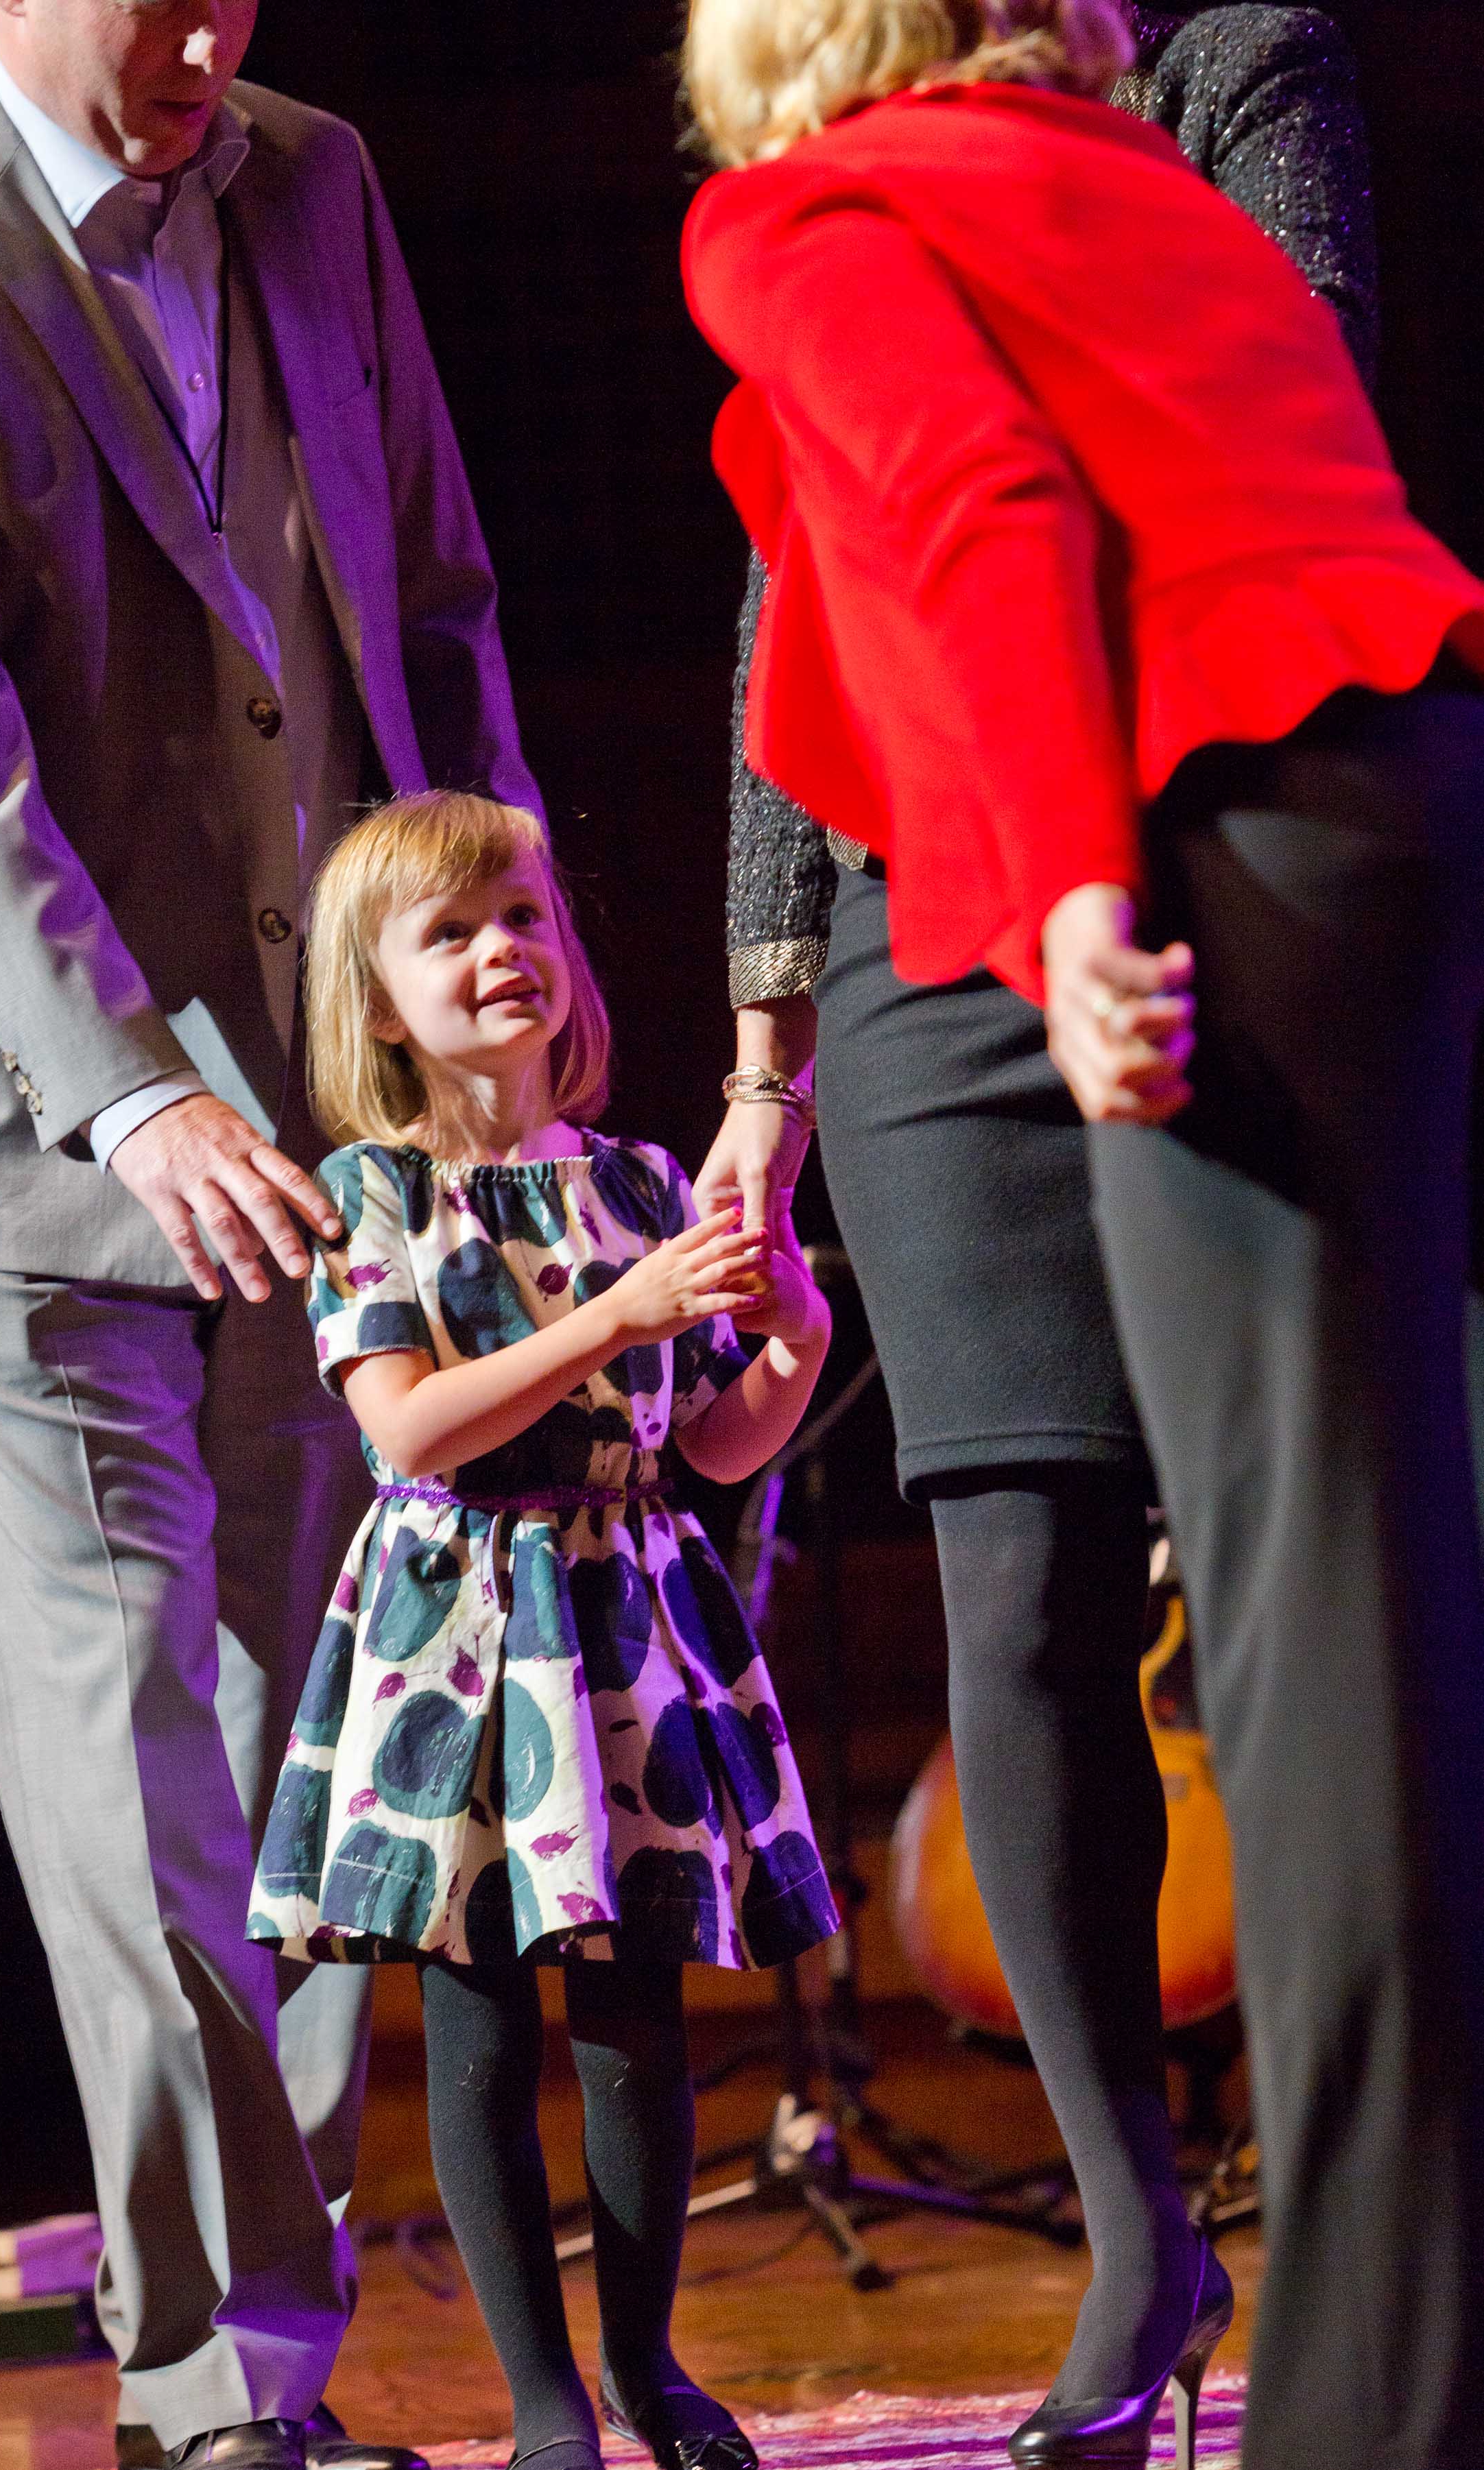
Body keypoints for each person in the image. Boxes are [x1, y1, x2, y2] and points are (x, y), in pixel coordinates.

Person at [679, 3, 1484, 2468]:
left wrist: (1069, 893)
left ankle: (1383, 2404)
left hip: (1178, 820)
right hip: (1385, 778)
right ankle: (1357, 2346)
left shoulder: (804, 208)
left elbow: (982, 507)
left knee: (1309, 1659)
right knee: (1367, 1612)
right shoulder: (1106, 162)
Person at [0, 4, 538, 2465]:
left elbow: (431, 600)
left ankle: (263, 2345)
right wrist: (129, 1083)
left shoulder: (309, 175)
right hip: (37, 1128)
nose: (211, 43)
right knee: (132, 1758)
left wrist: (495, 989)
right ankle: (220, 2372)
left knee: (307, 1743)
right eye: (161, 1)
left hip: (328, 1108)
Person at [247, 791, 838, 2470]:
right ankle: (542, 2404)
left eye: (522, 917)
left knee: (639, 2018)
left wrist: (789, 1339)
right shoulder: (370, 1194)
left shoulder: (642, 1180)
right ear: (379, 1005)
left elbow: (709, 1443)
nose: (502, 950)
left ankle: (648, 2367)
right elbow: (410, 1428)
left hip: (622, 1623)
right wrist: (614, 1315)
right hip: (459, 1641)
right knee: (482, 2021)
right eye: (448, 934)